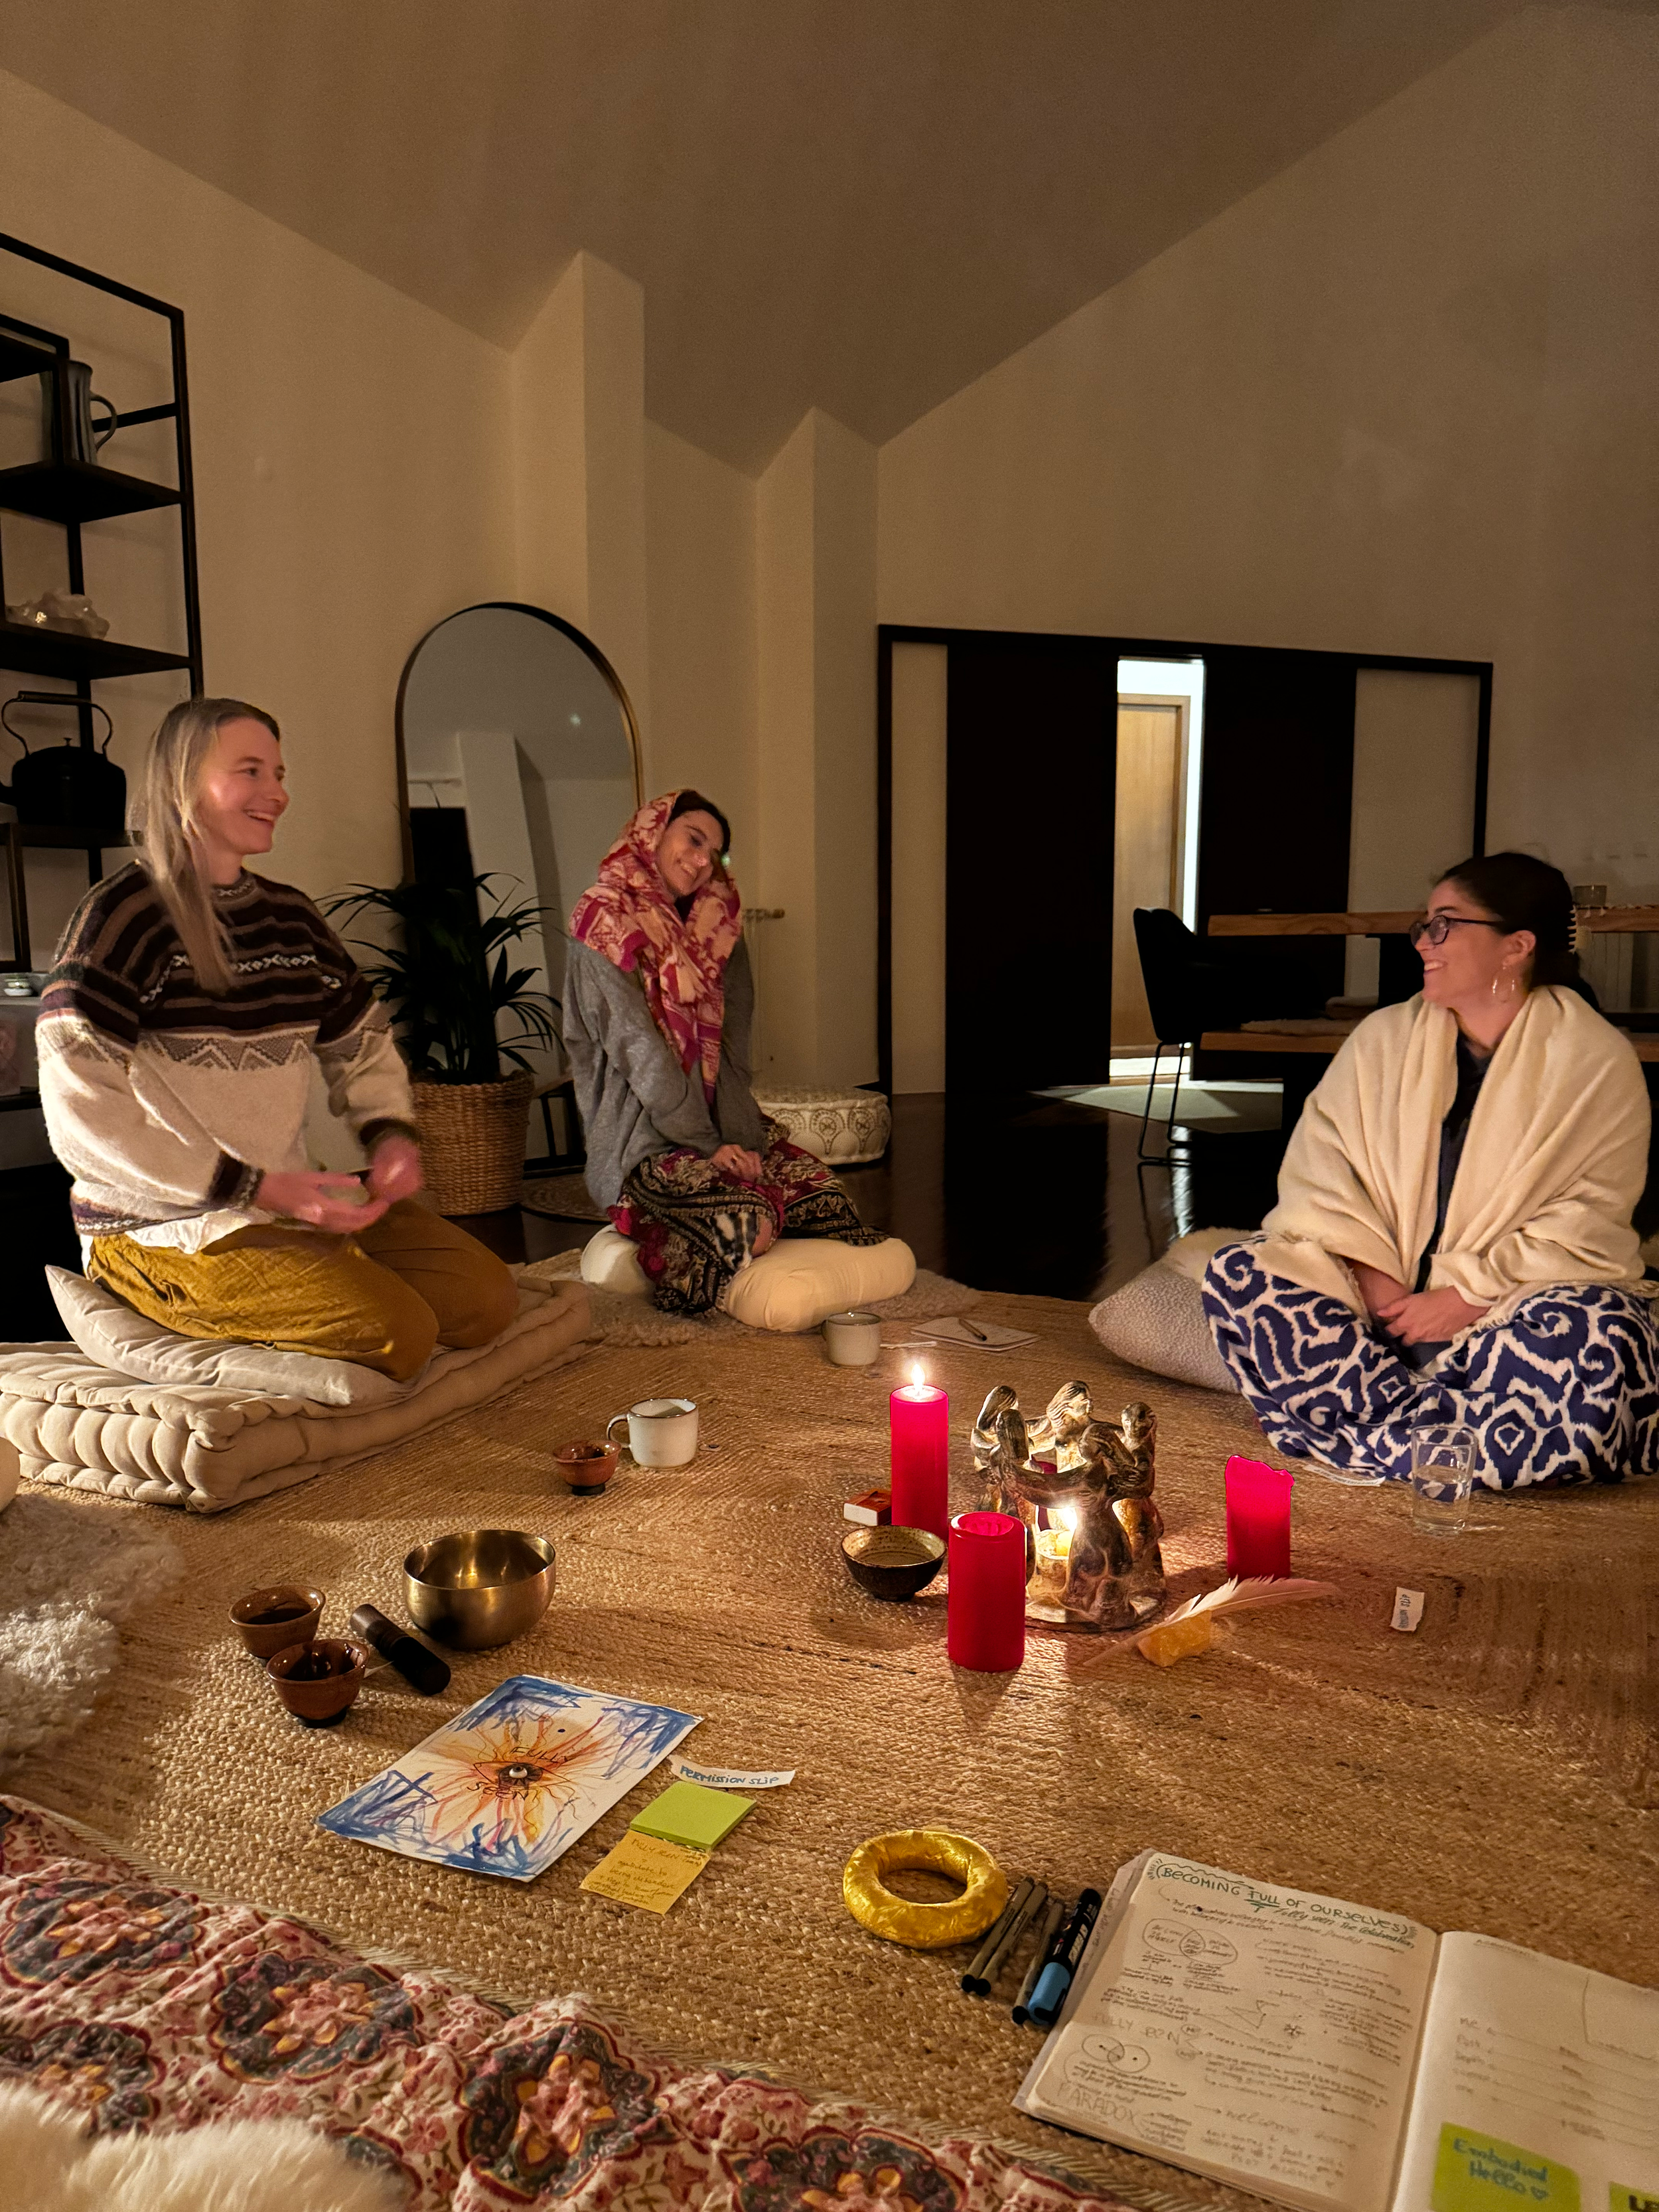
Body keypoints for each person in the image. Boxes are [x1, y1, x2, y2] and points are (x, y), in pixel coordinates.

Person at [37, 698, 516, 1382]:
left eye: (280, 773)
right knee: (401, 1333)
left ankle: (319, 1274)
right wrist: (256, 1187)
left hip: (288, 1199)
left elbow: (363, 1044)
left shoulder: (289, 916)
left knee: (485, 1300)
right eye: (251, 771)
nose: (278, 794)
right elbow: (81, 1113)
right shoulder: (123, 919)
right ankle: (147, 1297)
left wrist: (388, 1135)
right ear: (184, 783)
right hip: (164, 1225)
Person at [1202, 853, 1659, 1489]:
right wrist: (1376, 1279)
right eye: (1423, 925)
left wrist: (1466, 1296)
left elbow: (1590, 1217)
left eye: (1444, 924)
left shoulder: (1595, 1062)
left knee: (1601, 1334)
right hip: (1375, 1310)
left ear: (1516, 947)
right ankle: (1454, 1440)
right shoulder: (1381, 1039)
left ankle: (1362, 1432)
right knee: (1240, 1273)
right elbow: (1322, 1175)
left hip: (1506, 1310)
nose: (1422, 942)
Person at [563, 789, 885, 1313]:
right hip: (642, 1141)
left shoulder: (722, 929)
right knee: (750, 1222)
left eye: (714, 852)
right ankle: (684, 1253)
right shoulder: (602, 920)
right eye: (693, 839)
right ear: (653, 830)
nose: (701, 860)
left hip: (715, 1130)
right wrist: (710, 1148)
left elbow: (733, 1055)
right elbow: (640, 1054)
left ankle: (698, 1239)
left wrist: (743, 1144)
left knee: (830, 1199)